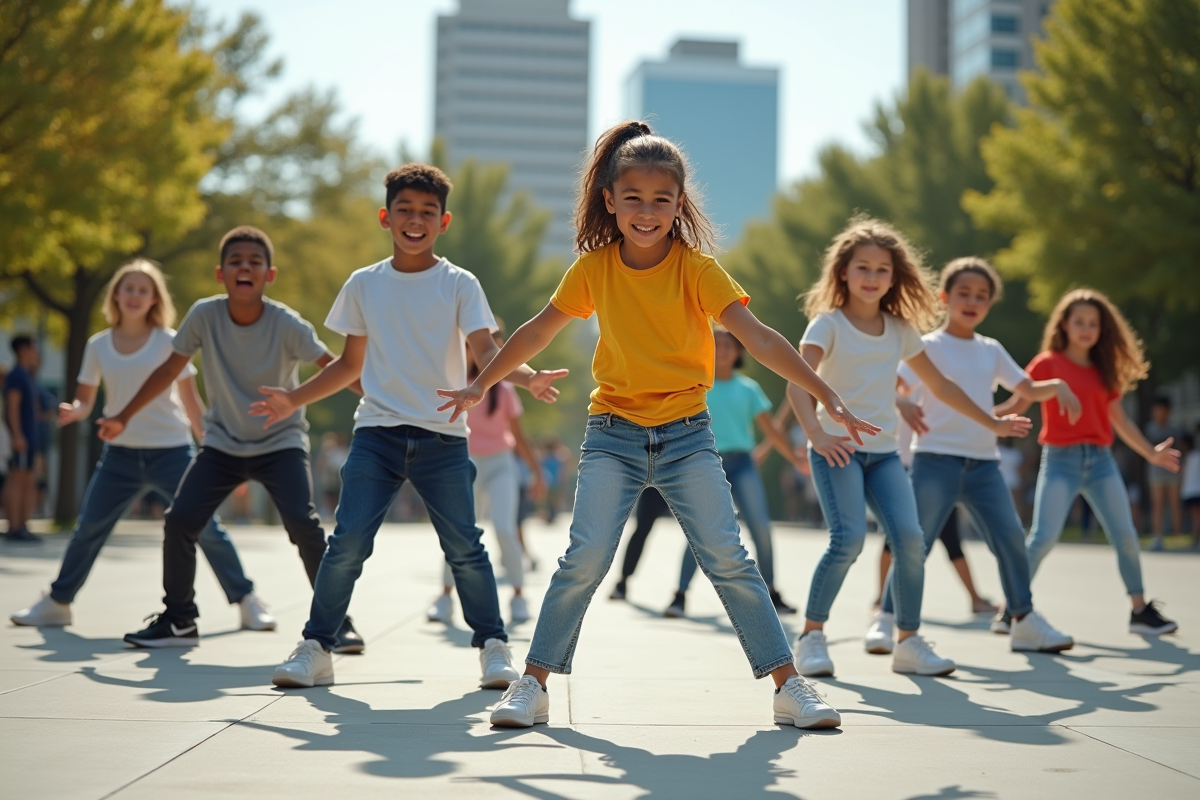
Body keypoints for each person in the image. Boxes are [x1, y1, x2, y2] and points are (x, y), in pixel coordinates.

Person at [439, 121, 876, 730]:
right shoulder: (593, 269)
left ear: (679, 205)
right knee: (585, 557)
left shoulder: (698, 270)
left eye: (662, 200)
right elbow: (538, 330)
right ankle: (532, 684)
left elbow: (761, 338)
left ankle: (788, 686)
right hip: (612, 434)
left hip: (686, 434)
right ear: (610, 202)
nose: (647, 211)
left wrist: (824, 391)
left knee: (728, 556)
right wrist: (481, 382)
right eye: (634, 199)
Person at [260, 164, 567, 690]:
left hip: (443, 437)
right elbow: (348, 365)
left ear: (443, 222)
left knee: (465, 547)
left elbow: (486, 353)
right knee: (348, 541)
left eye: (428, 212)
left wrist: (528, 377)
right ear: (386, 217)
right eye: (405, 210)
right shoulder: (364, 284)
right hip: (376, 434)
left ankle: (493, 646)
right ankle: (316, 645)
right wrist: (294, 398)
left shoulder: (459, 285)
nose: (415, 220)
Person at [787, 217, 1031, 679]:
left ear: (894, 277)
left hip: (882, 455)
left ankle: (909, 641)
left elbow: (941, 385)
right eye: (863, 267)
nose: (872, 277)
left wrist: (992, 422)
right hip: (836, 448)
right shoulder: (828, 324)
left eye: (882, 269)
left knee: (912, 540)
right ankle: (811, 637)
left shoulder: (899, 329)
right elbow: (798, 383)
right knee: (849, 540)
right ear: (843, 272)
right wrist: (816, 435)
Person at [98, 227, 361, 652]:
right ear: (221, 273)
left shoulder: (286, 322)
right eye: (236, 261)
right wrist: (123, 416)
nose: (245, 267)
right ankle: (179, 619)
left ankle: (337, 621)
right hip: (222, 444)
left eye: (254, 262)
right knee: (180, 519)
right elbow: (168, 371)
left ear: (268, 274)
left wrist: (387, 398)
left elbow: (337, 367)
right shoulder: (204, 315)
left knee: (303, 525)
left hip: (281, 444)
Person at [9, 260, 270, 630]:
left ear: (154, 299)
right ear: (116, 294)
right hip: (120, 455)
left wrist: (215, 449)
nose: (134, 295)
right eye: (128, 288)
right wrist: (75, 410)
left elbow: (192, 402)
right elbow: (86, 398)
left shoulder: (169, 340)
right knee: (89, 528)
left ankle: (246, 600)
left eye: (143, 290)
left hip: (173, 451)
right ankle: (58, 602)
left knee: (206, 526)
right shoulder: (98, 345)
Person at [868, 256, 1074, 654]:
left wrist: (1057, 385)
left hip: (984, 465)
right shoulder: (927, 346)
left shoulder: (990, 350)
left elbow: (1027, 388)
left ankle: (1024, 619)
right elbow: (888, 385)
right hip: (934, 461)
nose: (972, 300)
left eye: (982, 296)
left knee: (1011, 538)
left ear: (989, 304)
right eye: (963, 292)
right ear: (944, 297)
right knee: (914, 544)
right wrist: (901, 402)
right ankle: (886, 618)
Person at [997, 288, 1180, 635]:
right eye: (1078, 321)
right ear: (1064, 324)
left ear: (1101, 328)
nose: (1085, 329)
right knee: (1043, 537)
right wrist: (968, 414)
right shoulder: (1046, 363)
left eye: (1093, 323)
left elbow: (1121, 422)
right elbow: (1014, 406)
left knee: (1125, 535)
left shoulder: (1103, 369)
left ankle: (1139, 610)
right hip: (1060, 461)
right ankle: (1013, 608)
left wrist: (1150, 453)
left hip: (1101, 463)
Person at [662, 326, 803, 618]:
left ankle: (773, 593)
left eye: (729, 345)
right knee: (700, 531)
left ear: (739, 352)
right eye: (717, 344)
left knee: (761, 527)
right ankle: (679, 595)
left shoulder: (749, 389)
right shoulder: (698, 385)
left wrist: (795, 459)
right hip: (707, 464)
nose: (723, 349)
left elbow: (772, 430)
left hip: (744, 465)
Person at [427, 331, 548, 625]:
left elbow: (518, 435)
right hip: (464, 461)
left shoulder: (505, 389)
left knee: (506, 529)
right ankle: (444, 597)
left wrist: (536, 472)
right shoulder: (455, 384)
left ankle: (519, 596)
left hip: (500, 464)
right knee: (458, 530)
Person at [873, 403, 998, 618]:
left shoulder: (937, 385)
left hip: (934, 470)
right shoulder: (898, 384)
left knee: (949, 535)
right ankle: (882, 601)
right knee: (895, 537)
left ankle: (882, 602)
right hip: (903, 467)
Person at [4, 335, 41, 542]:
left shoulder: (26, 375)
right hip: (22, 437)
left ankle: (22, 525)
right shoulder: (16, 375)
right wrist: (17, 435)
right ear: (23, 349)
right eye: (33, 347)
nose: (36, 352)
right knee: (18, 480)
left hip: (29, 436)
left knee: (27, 480)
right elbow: (12, 406)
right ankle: (15, 527)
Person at [1144, 396, 1184, 550]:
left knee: (1174, 504)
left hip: (1172, 470)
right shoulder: (1150, 429)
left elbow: (1181, 450)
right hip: (1156, 471)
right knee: (1158, 504)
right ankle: (1157, 537)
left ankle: (1177, 537)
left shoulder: (1174, 429)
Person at [1180, 431, 1200, 548]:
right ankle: (1195, 539)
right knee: (1196, 518)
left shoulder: (1191, 457)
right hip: (1193, 491)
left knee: (1196, 518)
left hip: (1192, 491)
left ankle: (1195, 539)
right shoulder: (1191, 456)